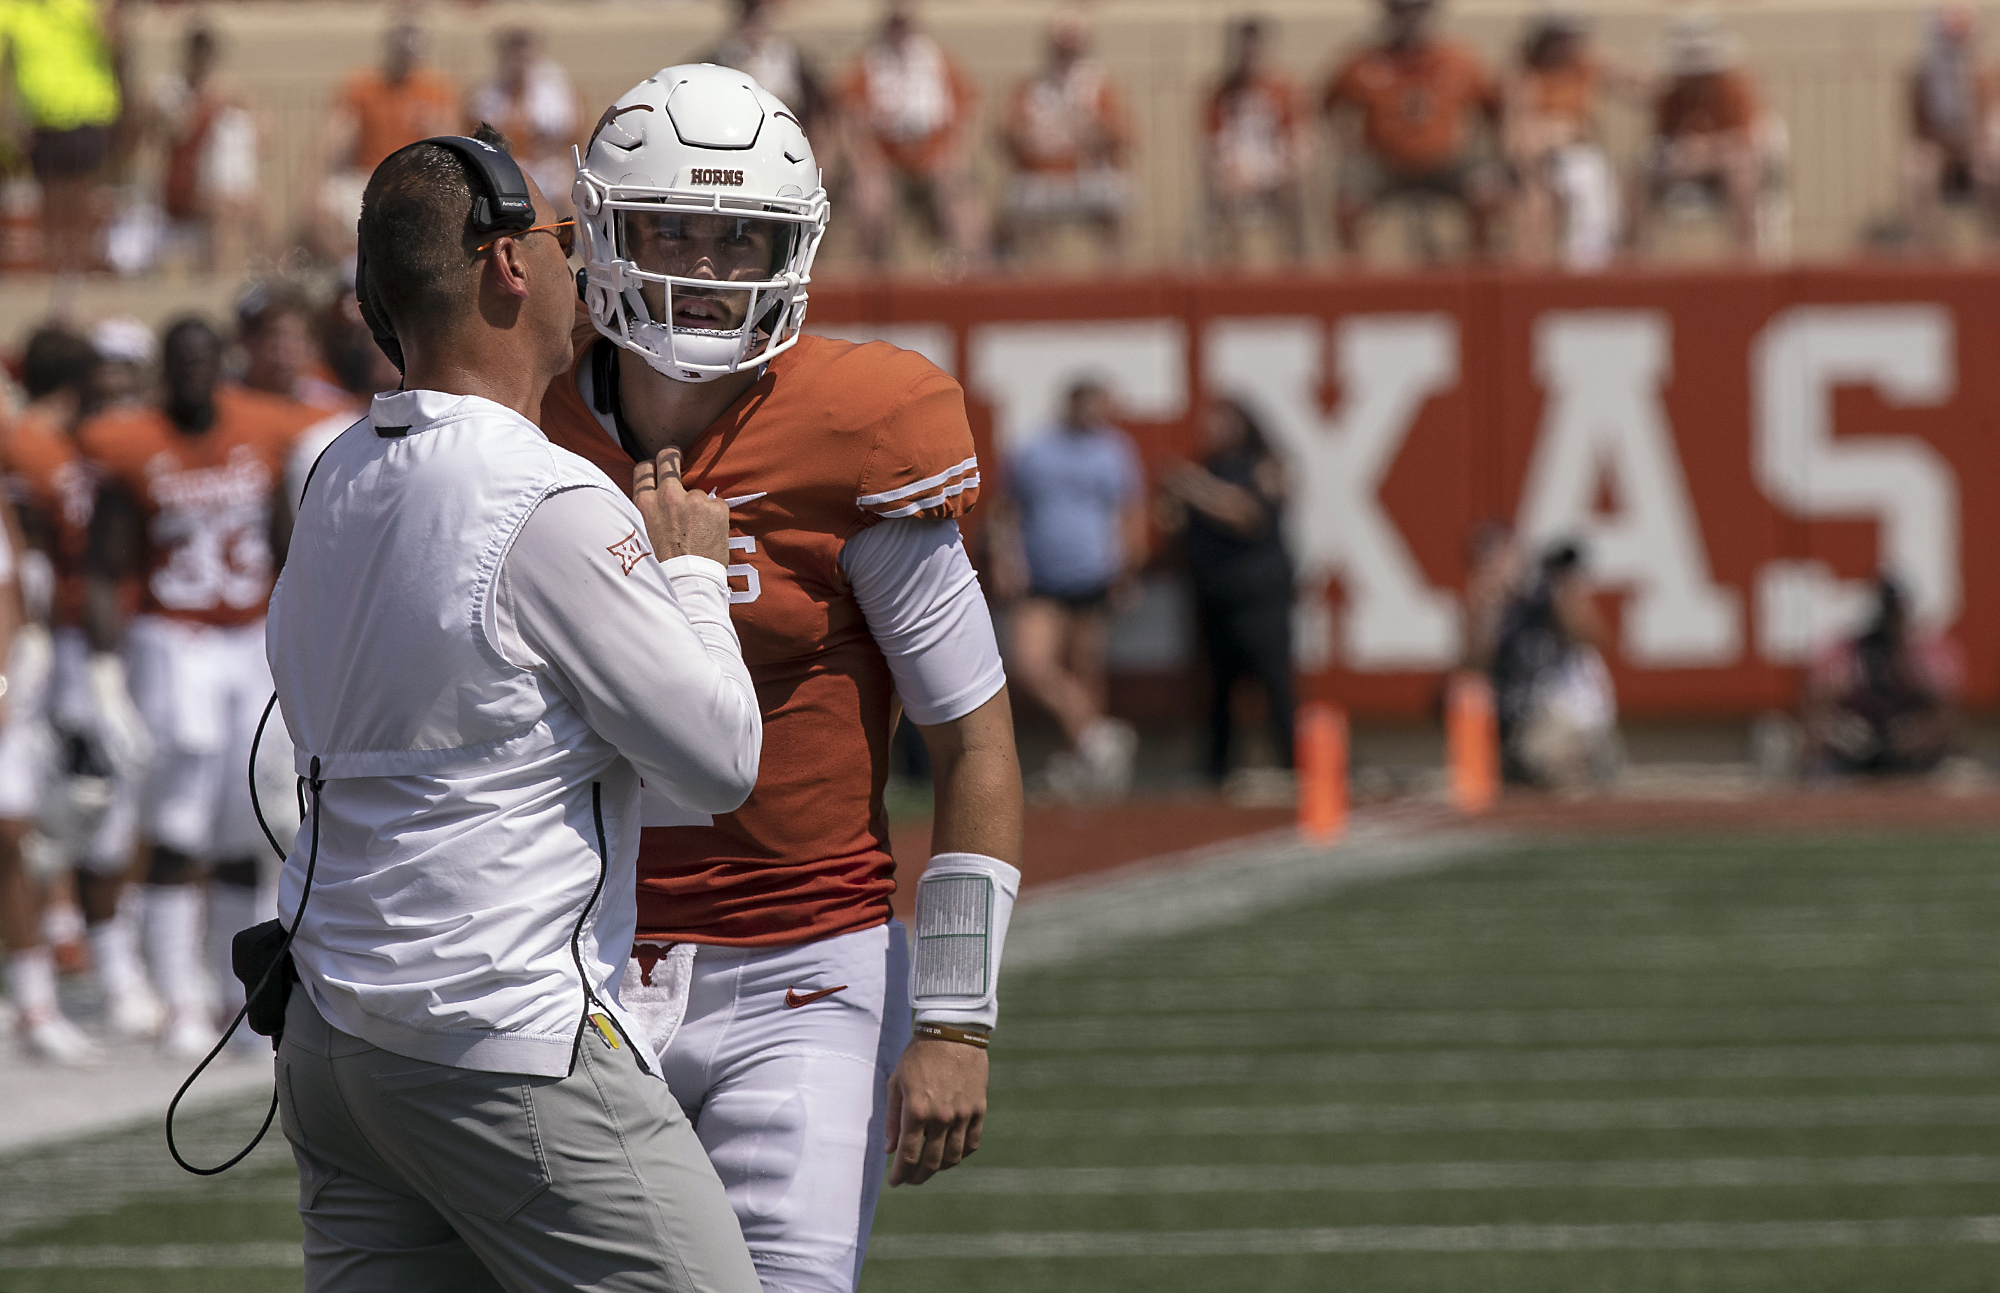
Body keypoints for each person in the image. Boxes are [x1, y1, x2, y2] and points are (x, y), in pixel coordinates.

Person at [549, 65, 1023, 1291]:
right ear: (604, 231)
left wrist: (958, 1019)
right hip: (572, 966)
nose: (707, 266)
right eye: (674, 230)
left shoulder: (858, 424)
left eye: (738, 235)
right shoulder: (523, 420)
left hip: (803, 969)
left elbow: (971, 736)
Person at [266, 128, 763, 1291]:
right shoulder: (545, 492)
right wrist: (689, 568)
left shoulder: (333, 471)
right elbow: (720, 760)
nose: (570, 257)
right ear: (504, 266)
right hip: (498, 1032)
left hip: (333, 1036)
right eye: (551, 234)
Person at [80, 317, 317, 1058]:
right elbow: (102, 564)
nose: (189, 373)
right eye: (177, 361)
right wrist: (104, 672)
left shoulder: (261, 429)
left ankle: (232, 993)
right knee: (179, 821)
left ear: (220, 363)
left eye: (201, 359)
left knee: (251, 817)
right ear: (164, 368)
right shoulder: (131, 442)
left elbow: (287, 542)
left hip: (248, 636)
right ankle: (178, 992)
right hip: (173, 638)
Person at [0, 328, 106, 1062]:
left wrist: (10, 665)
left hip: (22, 667)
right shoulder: (35, 446)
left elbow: (10, 581)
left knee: (14, 832)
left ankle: (35, 1000)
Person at [993, 378, 1144, 798]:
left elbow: (1128, 510)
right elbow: (1006, 510)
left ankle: (1084, 760)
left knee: (1086, 670)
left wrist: (1129, 567)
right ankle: (1098, 737)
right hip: (1042, 577)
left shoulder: (1114, 450)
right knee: (1031, 663)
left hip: (1094, 574)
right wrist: (1008, 560)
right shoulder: (1034, 450)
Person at [1159, 398, 1295, 787]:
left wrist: (1192, 488)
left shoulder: (1265, 465)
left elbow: (1247, 514)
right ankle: (1217, 771)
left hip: (1260, 595)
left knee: (1274, 682)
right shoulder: (1208, 467)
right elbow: (1172, 521)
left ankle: (1297, 765)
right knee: (1218, 689)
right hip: (1215, 595)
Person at [1323, 0, 1503, 261]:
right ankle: (1356, 274)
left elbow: (1493, 110)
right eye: (1401, 9)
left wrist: (1483, 147)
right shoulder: (1364, 61)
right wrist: (1344, 145)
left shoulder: (1458, 60)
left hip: (1445, 161)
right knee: (1348, 197)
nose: (1410, 19)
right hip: (1382, 163)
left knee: (1487, 186)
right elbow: (1328, 107)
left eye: (1418, 9)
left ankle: (1477, 264)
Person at [843, 2, 987, 273]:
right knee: (869, 198)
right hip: (887, 164)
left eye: (905, 25)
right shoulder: (867, 65)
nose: (900, 33)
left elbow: (972, 112)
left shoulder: (939, 62)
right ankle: (875, 279)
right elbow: (849, 119)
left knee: (963, 206)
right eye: (894, 26)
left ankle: (967, 278)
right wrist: (865, 162)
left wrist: (958, 157)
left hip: (935, 162)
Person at [1640, 12, 1787, 263]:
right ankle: (1634, 255)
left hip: (1723, 169)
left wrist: (1707, 152)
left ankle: (1747, 256)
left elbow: (1746, 141)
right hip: (1681, 170)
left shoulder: (1733, 88)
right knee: (1638, 177)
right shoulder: (1672, 96)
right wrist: (1681, 156)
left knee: (1741, 173)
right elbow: (1661, 141)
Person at [997, 12, 1134, 268]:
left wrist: (1090, 127)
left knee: (1118, 198)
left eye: (1073, 49)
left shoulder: (1099, 87)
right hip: (1040, 176)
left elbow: (1126, 137)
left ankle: (1114, 283)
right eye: (1061, 49)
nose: (1066, 56)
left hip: (1089, 175)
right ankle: (1043, 286)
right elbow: (1005, 134)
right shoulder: (1030, 88)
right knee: (1022, 202)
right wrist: (1027, 137)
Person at [1505, 11, 1637, 269]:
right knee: (1537, 194)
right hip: (1538, 158)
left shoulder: (1588, 65)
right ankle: (1538, 266)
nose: (1564, 43)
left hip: (1581, 154)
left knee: (1588, 174)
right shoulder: (1525, 74)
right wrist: (1550, 135)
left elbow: (1640, 86)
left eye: (1570, 35)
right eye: (1558, 36)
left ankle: (1589, 265)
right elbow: (1514, 135)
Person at [317, 21, 458, 259]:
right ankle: (352, 270)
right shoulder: (363, 86)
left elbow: (451, 141)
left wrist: (434, 127)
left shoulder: (435, 89)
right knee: (322, 209)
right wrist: (318, 181)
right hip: (366, 176)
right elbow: (336, 138)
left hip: (414, 178)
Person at [1489, 540, 1618, 789]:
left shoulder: (1569, 604)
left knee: (1546, 763)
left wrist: (1565, 594)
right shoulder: (1526, 610)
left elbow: (1596, 638)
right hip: (1544, 717)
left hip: (1583, 719)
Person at [5, 0, 122, 274]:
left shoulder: (82, 7)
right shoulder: (15, 11)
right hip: (41, 120)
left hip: (85, 112)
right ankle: (55, 268)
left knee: (80, 198)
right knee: (51, 201)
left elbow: (115, 44)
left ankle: (77, 267)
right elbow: (7, 67)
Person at [1805, 577, 1961, 776]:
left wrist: (1907, 668)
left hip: (1909, 745)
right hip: (1856, 744)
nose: (1886, 617)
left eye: (1893, 609)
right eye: (1883, 609)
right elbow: (1817, 703)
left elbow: (1946, 710)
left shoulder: (1926, 650)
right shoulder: (1849, 651)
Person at [150, 23, 260, 274]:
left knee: (259, 212)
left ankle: (249, 279)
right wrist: (207, 105)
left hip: (219, 184)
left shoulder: (225, 91)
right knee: (221, 211)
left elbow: (266, 137)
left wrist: (248, 104)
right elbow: (178, 133)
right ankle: (218, 278)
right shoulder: (169, 89)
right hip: (183, 185)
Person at [1203, 16, 1308, 265]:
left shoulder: (1283, 89)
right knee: (1224, 191)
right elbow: (1211, 143)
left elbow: (1298, 138)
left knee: (1294, 191)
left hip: (1276, 168)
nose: (1249, 54)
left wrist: (1284, 167)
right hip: (1236, 170)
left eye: (1255, 47)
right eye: (1244, 47)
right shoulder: (1220, 93)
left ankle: (1293, 266)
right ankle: (1232, 267)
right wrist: (1229, 170)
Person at [1906, 4, 2000, 252]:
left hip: (1976, 147)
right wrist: (1947, 148)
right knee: (1917, 167)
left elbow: (1987, 120)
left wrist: (1969, 146)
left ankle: (1992, 243)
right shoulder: (1923, 76)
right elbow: (1918, 127)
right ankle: (1930, 247)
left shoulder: (1986, 70)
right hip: (1942, 147)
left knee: (1993, 162)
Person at [466, 27, 579, 209]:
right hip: (504, 167)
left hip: (545, 168)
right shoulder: (487, 95)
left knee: (564, 185)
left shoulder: (553, 90)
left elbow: (567, 136)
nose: (518, 62)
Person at [707, 0, 829, 141]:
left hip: (783, 128)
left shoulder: (787, 56)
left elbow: (815, 98)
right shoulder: (722, 58)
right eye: (751, 22)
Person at [236, 283, 349, 415]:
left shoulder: (335, 410)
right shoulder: (222, 403)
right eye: (274, 336)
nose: (285, 350)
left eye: (296, 338)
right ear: (247, 341)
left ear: (312, 346)